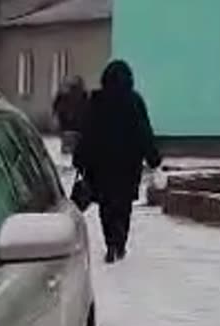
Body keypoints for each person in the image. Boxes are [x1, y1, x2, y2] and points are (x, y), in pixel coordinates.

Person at [75, 60, 161, 264]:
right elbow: (143, 132)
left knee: (106, 206)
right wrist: (153, 157)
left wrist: (80, 158)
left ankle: (110, 243)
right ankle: (120, 242)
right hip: (127, 166)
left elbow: (86, 133)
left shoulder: (96, 101)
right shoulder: (134, 101)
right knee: (123, 206)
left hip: (101, 165)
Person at [53, 75, 88, 155]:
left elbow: (57, 107)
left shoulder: (83, 96)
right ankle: (68, 149)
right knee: (69, 139)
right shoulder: (64, 96)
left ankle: (68, 149)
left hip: (74, 124)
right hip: (70, 123)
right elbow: (57, 107)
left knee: (71, 139)